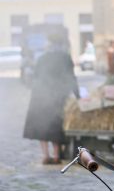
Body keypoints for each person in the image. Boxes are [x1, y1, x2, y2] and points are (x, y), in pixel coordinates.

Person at [23, 35, 79, 164]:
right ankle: (56, 155)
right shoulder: (65, 57)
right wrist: (78, 96)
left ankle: (46, 155)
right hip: (58, 95)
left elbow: (35, 77)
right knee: (56, 125)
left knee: (42, 125)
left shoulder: (42, 58)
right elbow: (71, 78)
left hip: (41, 95)